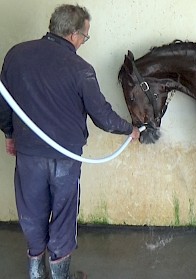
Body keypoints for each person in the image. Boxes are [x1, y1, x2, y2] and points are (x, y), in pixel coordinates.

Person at [0, 4, 140, 279]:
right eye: (85, 37)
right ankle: (59, 275)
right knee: (64, 216)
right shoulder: (80, 69)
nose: (83, 42)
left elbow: (4, 105)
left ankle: (35, 273)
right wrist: (130, 130)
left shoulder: (16, 55)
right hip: (66, 156)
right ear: (74, 35)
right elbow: (102, 116)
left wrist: (9, 134)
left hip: (28, 153)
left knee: (31, 210)